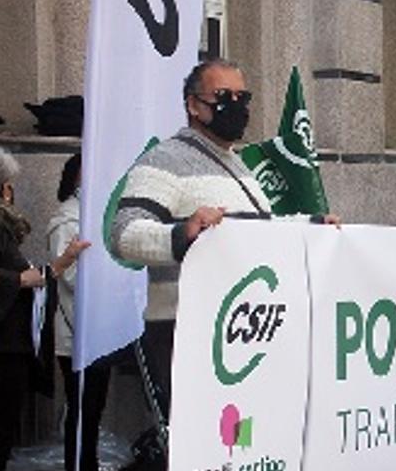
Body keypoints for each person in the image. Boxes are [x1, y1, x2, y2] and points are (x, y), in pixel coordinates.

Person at [110, 61, 339, 416]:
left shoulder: (237, 164)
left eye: (241, 96)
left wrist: (313, 224)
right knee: (203, 445)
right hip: (187, 328)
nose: (234, 105)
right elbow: (124, 234)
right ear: (193, 105)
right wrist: (182, 233)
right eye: (222, 96)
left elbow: (262, 227)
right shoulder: (165, 160)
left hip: (243, 326)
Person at [1, 148, 89, 471]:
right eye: (8, 185)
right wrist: (34, 274)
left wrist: (51, 268)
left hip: (13, 343)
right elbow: (20, 277)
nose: (10, 192)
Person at [48, 154, 130, 471]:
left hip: (99, 331)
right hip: (75, 333)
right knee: (80, 415)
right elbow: (68, 277)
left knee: (93, 411)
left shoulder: (97, 218)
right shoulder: (66, 220)